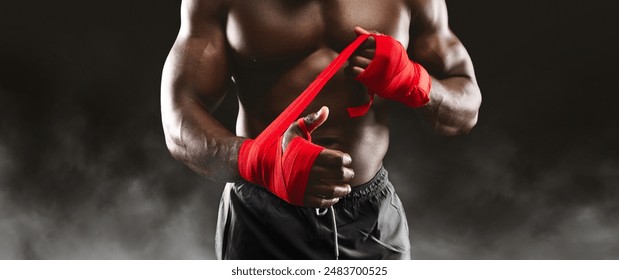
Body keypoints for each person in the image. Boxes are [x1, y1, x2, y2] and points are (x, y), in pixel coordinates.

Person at [161, 0, 481, 260]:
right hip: (262, 216)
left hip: (370, 217)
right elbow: (178, 118)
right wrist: (262, 162)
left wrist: (415, 82)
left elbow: (466, 109)